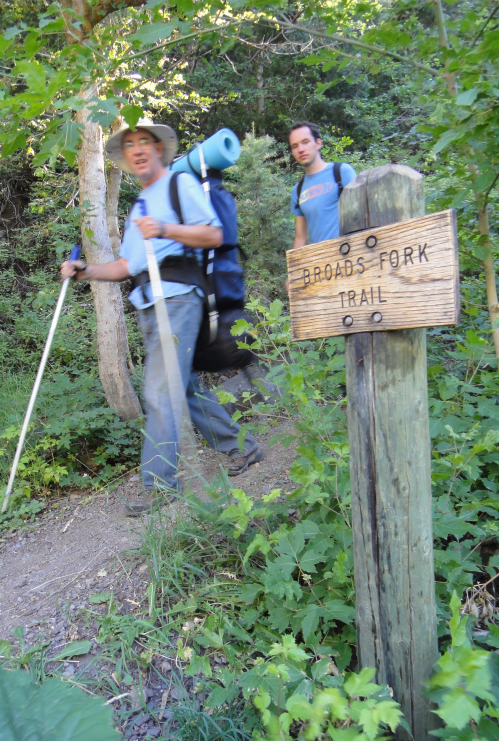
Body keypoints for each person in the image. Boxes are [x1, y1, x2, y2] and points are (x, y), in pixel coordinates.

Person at [60, 119, 263, 515]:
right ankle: (244, 447)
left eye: (144, 143)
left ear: (158, 150)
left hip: (179, 300)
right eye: (130, 144)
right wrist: (86, 271)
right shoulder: (139, 206)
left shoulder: (178, 186)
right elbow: (124, 266)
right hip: (148, 305)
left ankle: (159, 485)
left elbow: (213, 235)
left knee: (158, 393)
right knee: (182, 388)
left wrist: (165, 228)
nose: (137, 149)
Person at [289, 122, 357, 248]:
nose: (301, 149)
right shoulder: (297, 191)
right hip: (322, 263)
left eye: (305, 142)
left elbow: (364, 214)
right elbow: (300, 237)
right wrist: (296, 266)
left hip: (351, 256)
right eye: (295, 146)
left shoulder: (342, 172)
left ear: (318, 143)